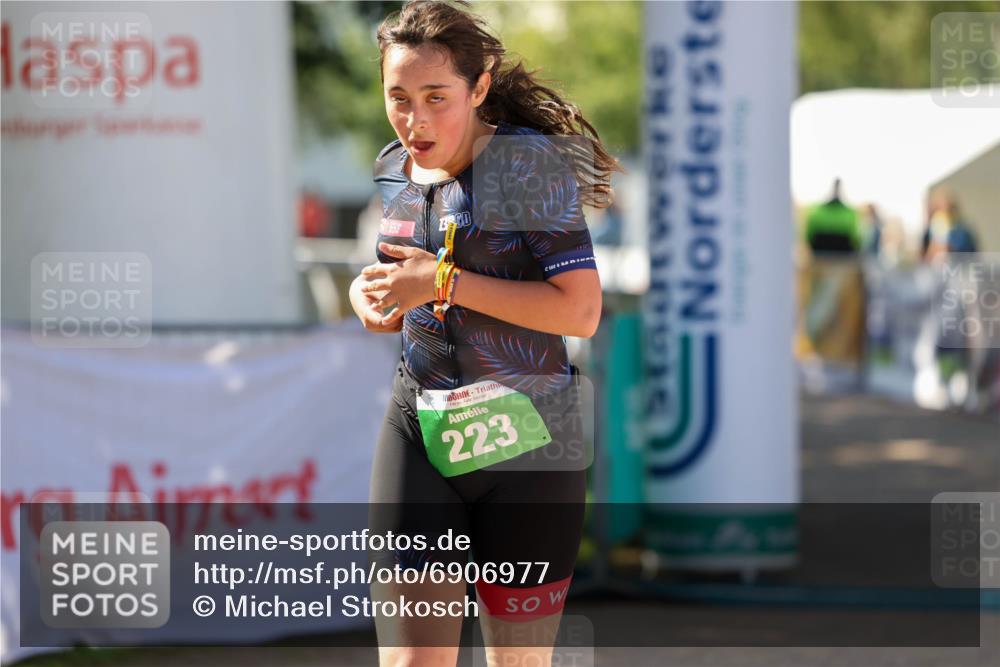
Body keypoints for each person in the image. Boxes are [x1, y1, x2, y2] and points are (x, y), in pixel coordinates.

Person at [347, 2, 622, 665]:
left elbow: (580, 310)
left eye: (436, 97)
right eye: (399, 97)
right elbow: (400, 276)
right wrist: (371, 293)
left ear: (479, 87)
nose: (414, 120)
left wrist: (440, 283)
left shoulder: (523, 166)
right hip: (420, 431)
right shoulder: (393, 166)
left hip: (530, 443)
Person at [805, 178, 861, 254]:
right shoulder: (850, 214)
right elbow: (856, 239)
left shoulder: (816, 212)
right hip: (841, 255)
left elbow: (809, 236)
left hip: (822, 254)